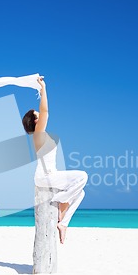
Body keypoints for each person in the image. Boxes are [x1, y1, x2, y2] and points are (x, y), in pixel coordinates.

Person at [22, 76, 88, 244]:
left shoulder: (41, 136)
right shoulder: (38, 135)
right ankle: (60, 200)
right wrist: (43, 89)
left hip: (51, 175)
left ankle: (63, 223)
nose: (41, 116)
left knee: (80, 193)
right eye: (38, 116)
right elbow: (45, 111)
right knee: (82, 176)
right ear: (35, 122)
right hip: (45, 177)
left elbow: (43, 112)